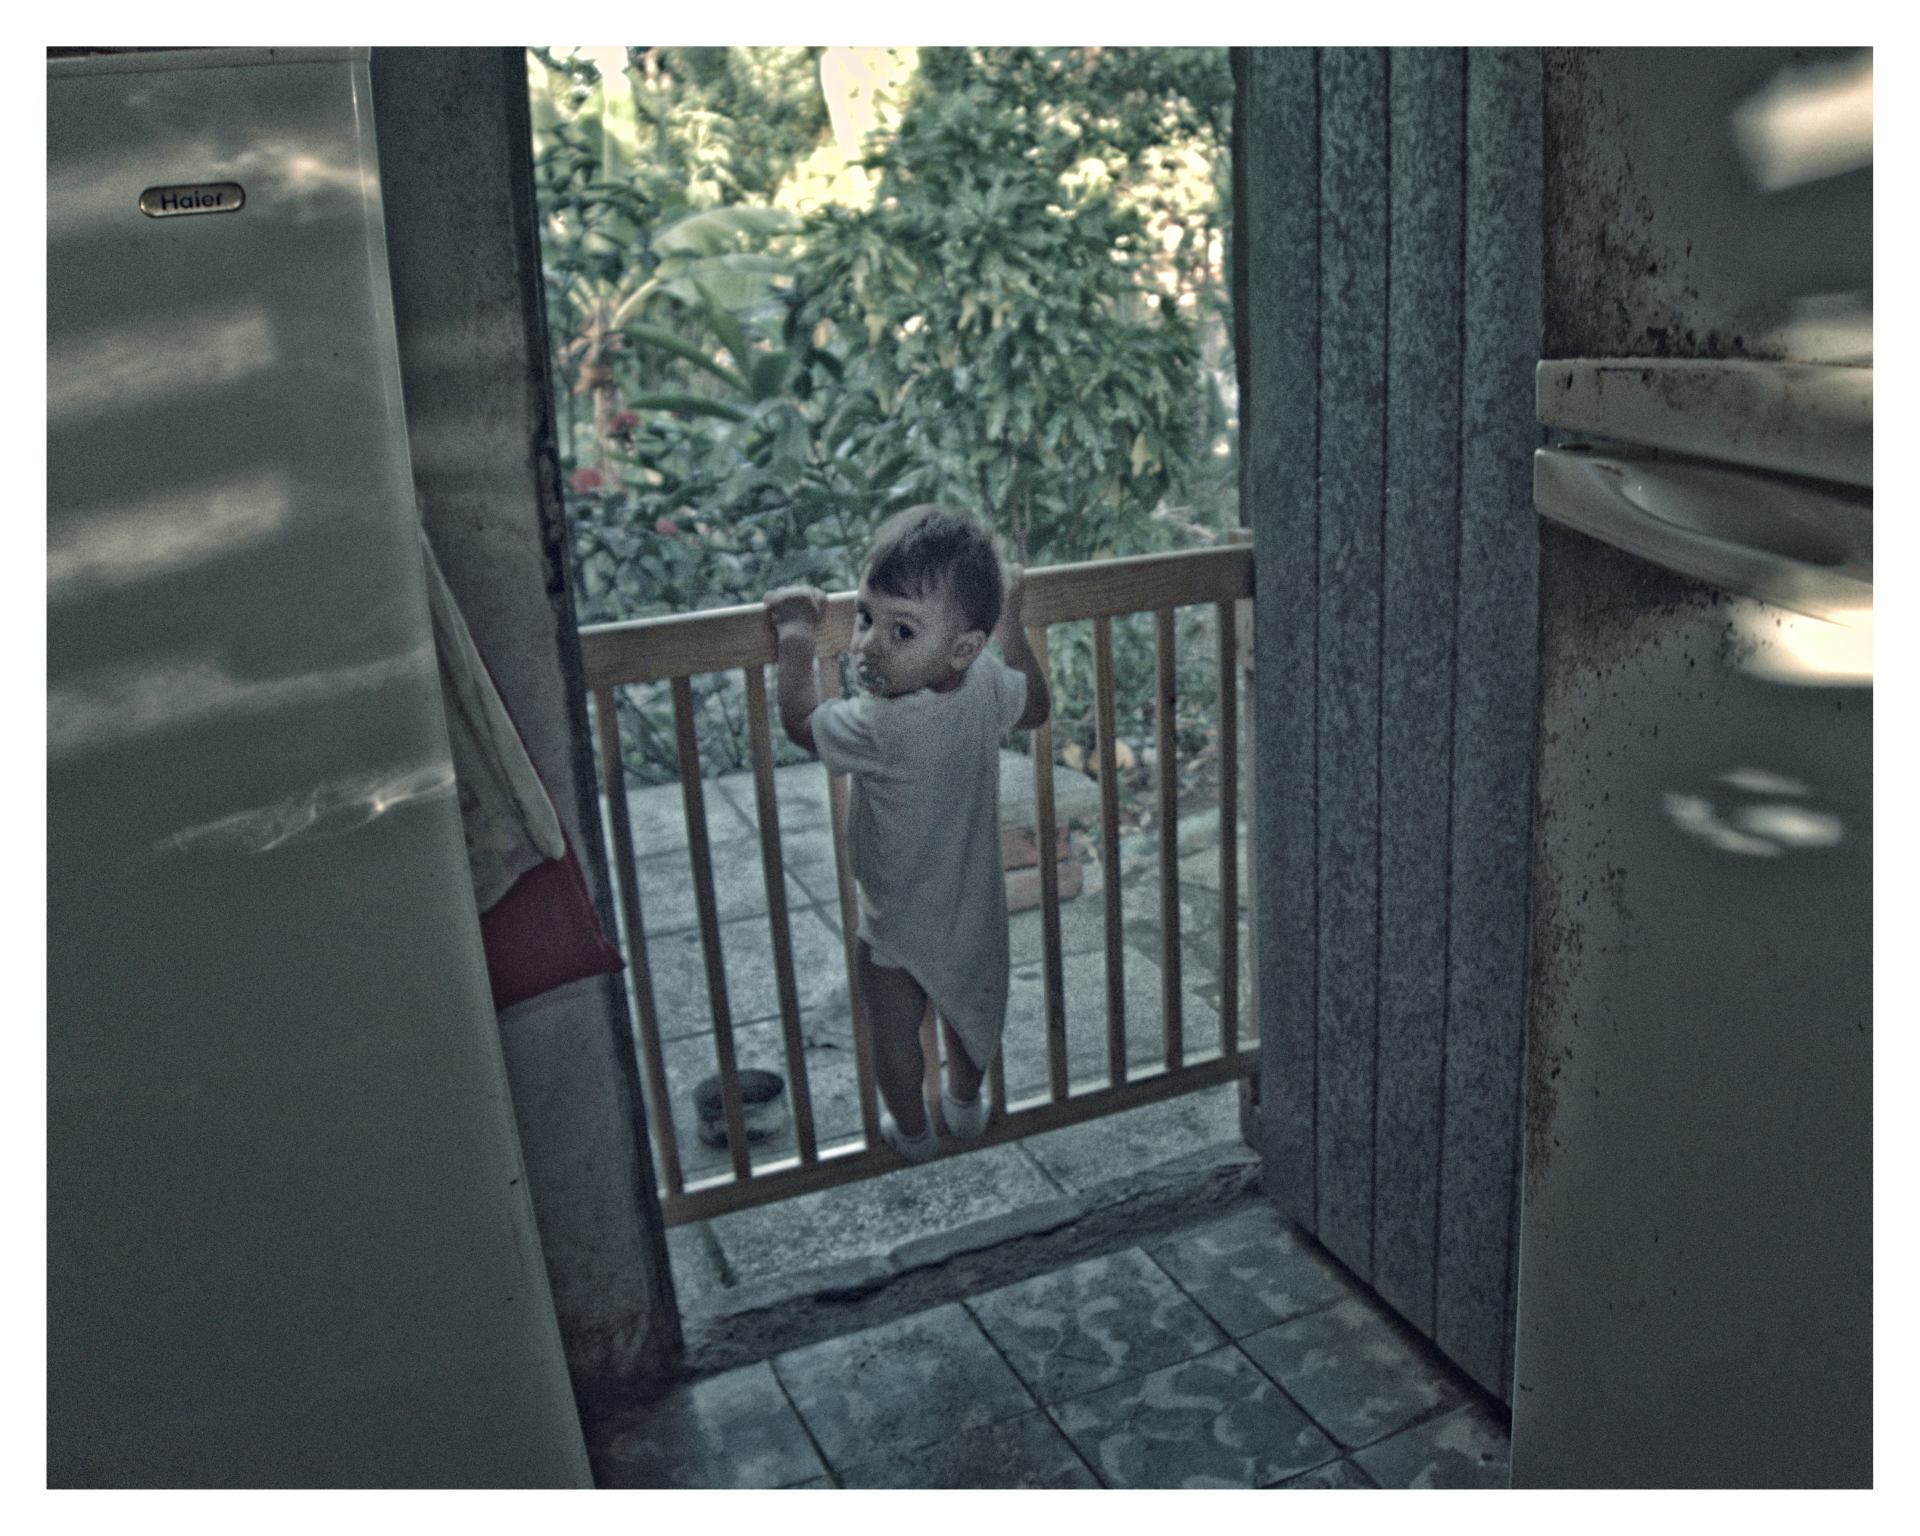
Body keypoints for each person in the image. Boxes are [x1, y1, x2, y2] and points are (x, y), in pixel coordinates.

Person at [764, 505, 1051, 1163]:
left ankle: (913, 1133)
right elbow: (1035, 706)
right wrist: (1010, 619)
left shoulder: (877, 726)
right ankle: (965, 1107)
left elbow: (803, 723)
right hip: (973, 909)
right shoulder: (982, 687)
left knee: (893, 1035)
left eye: (900, 631)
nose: (866, 645)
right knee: (970, 1015)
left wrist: (795, 637)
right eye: (866, 618)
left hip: (894, 921)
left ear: (960, 647)